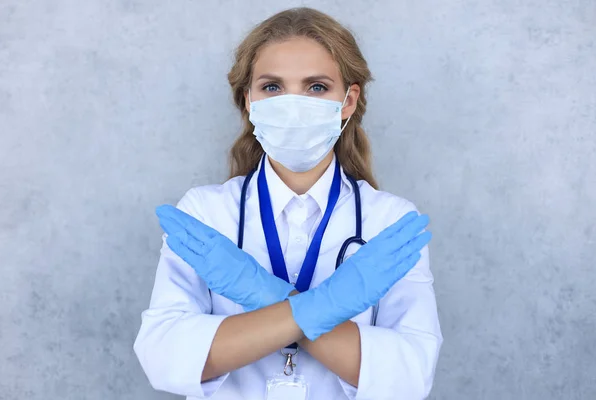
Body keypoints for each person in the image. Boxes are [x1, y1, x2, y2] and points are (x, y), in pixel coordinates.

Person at [134, 7, 442, 400]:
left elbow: (409, 375)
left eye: (316, 87)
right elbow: (165, 356)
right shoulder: (205, 215)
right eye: (273, 87)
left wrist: (265, 298)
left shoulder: (391, 222)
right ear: (249, 100)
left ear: (348, 101)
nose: (293, 104)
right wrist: (323, 308)